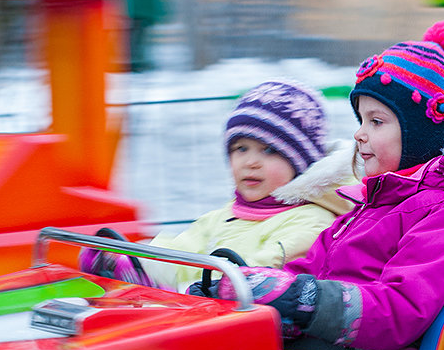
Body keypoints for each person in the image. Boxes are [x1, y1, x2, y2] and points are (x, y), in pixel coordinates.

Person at [198, 21, 444, 350]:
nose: (358, 134)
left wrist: (299, 299)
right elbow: (311, 269)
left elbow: (400, 311)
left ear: (422, 132)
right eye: (361, 120)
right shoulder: (371, 206)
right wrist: (255, 298)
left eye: (376, 121)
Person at [82, 80, 354, 290]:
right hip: (205, 315)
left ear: (300, 162)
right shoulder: (224, 216)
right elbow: (180, 256)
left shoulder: (310, 221)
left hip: (260, 335)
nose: (250, 162)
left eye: (269, 151)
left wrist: (196, 290)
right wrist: (134, 265)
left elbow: (260, 276)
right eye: (241, 148)